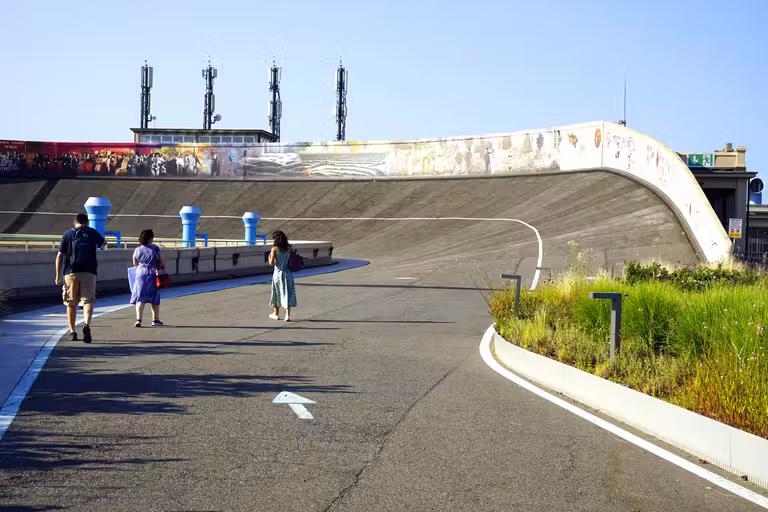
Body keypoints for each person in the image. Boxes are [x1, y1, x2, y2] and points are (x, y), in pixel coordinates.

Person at [55, 213, 105, 343]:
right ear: (87, 222)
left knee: (71, 303)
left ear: (74, 222)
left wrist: (58, 275)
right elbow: (103, 243)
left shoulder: (68, 234)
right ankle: (87, 325)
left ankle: (72, 332)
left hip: (70, 272)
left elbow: (60, 256)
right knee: (88, 301)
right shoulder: (92, 232)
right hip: (89, 271)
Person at [130, 229, 164, 327]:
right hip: (152, 273)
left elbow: (134, 262)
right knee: (154, 297)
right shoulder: (155, 248)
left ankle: (138, 320)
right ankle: (155, 320)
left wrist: (140, 267)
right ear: (150, 238)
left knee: (140, 297)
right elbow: (160, 260)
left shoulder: (137, 249)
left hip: (140, 273)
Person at [268, 230, 297, 322]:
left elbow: (271, 262)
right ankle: (287, 315)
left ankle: (276, 314)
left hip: (278, 274)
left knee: (276, 293)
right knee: (287, 293)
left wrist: (270, 256)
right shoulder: (288, 248)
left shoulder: (274, 249)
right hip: (288, 273)